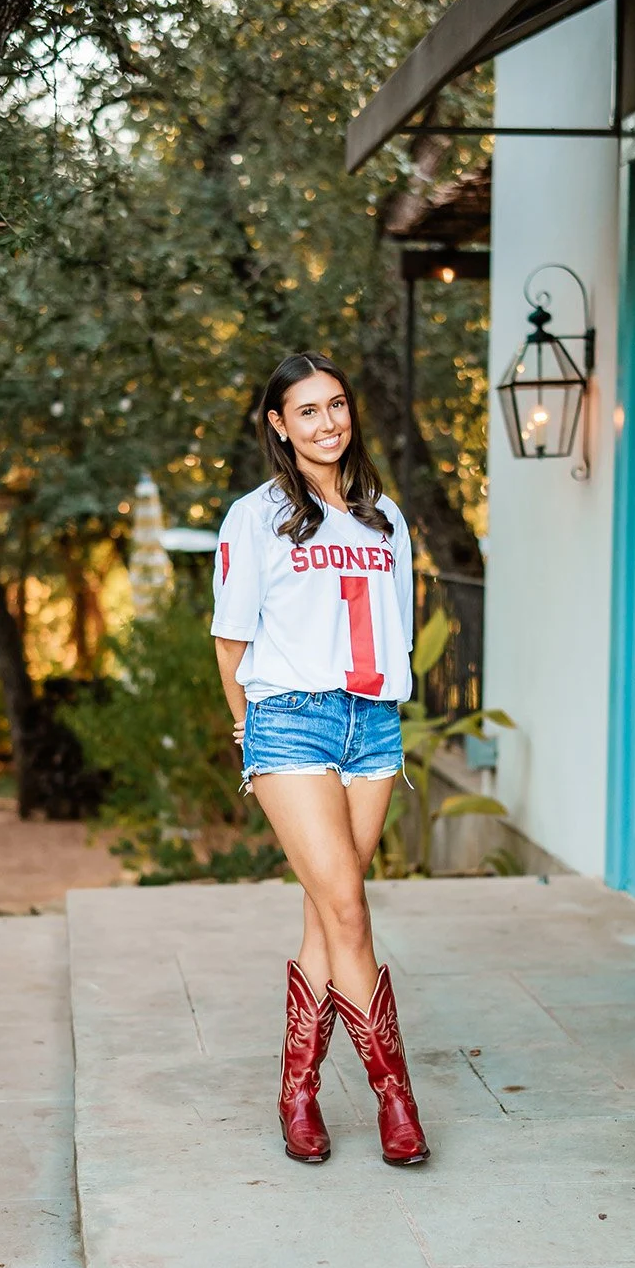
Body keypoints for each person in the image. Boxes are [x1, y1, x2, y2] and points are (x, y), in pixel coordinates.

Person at [211, 350, 429, 1168]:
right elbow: (231, 641)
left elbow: (395, 631)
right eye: (307, 411)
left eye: (336, 406)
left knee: (323, 914)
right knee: (350, 909)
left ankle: (296, 1090)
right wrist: (252, 735)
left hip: (371, 727)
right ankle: (395, 1099)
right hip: (290, 724)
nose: (327, 423)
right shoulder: (256, 515)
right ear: (278, 424)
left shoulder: (385, 517)